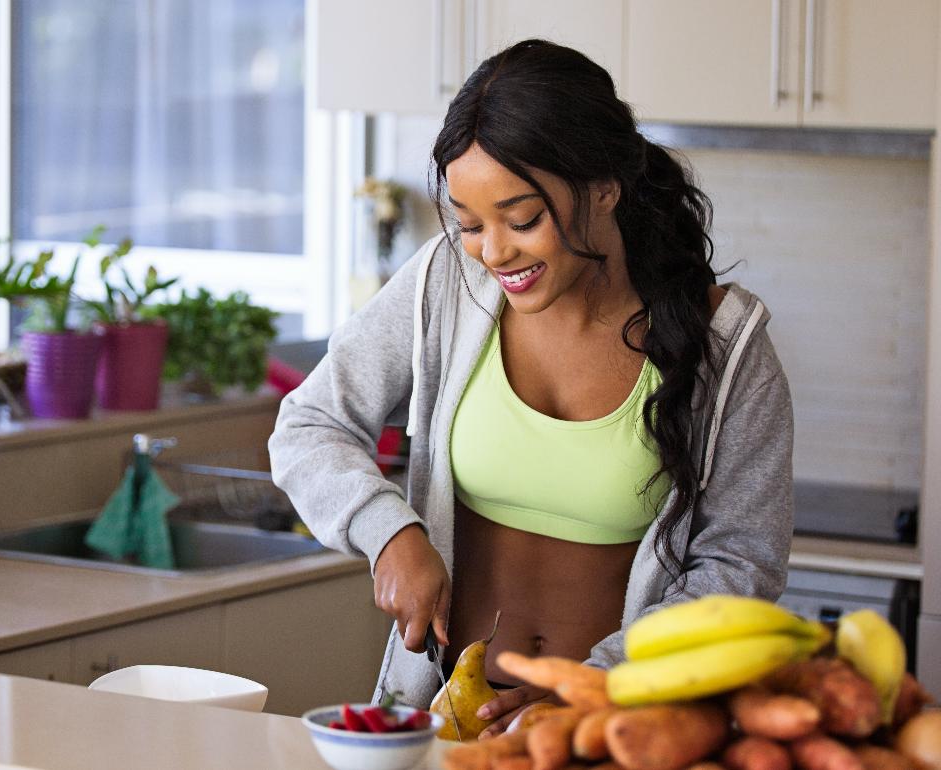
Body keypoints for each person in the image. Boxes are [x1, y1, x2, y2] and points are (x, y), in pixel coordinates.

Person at [268, 39, 793, 738]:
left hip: (615, 732)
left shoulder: (725, 344)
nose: (494, 253)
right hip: (447, 727)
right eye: (469, 224)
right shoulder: (446, 284)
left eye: (521, 220)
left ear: (605, 187)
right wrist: (389, 531)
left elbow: (739, 569)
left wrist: (592, 689)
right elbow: (308, 424)